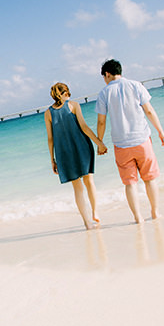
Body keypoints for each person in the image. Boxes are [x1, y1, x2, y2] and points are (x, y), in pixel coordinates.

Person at [96, 59, 164, 224]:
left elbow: (101, 122)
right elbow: (148, 110)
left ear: (107, 74)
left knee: (130, 183)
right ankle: (155, 213)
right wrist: (160, 131)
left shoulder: (104, 93)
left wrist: (100, 142)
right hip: (142, 140)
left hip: (121, 145)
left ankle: (138, 218)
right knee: (150, 179)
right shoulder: (136, 85)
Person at [45, 82, 108, 230]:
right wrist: (99, 143)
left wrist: (52, 159)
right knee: (89, 181)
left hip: (63, 153)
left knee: (77, 188)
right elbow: (84, 127)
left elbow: (50, 139)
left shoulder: (48, 113)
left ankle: (86, 222)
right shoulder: (73, 105)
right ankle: (95, 212)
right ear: (66, 92)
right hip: (81, 147)